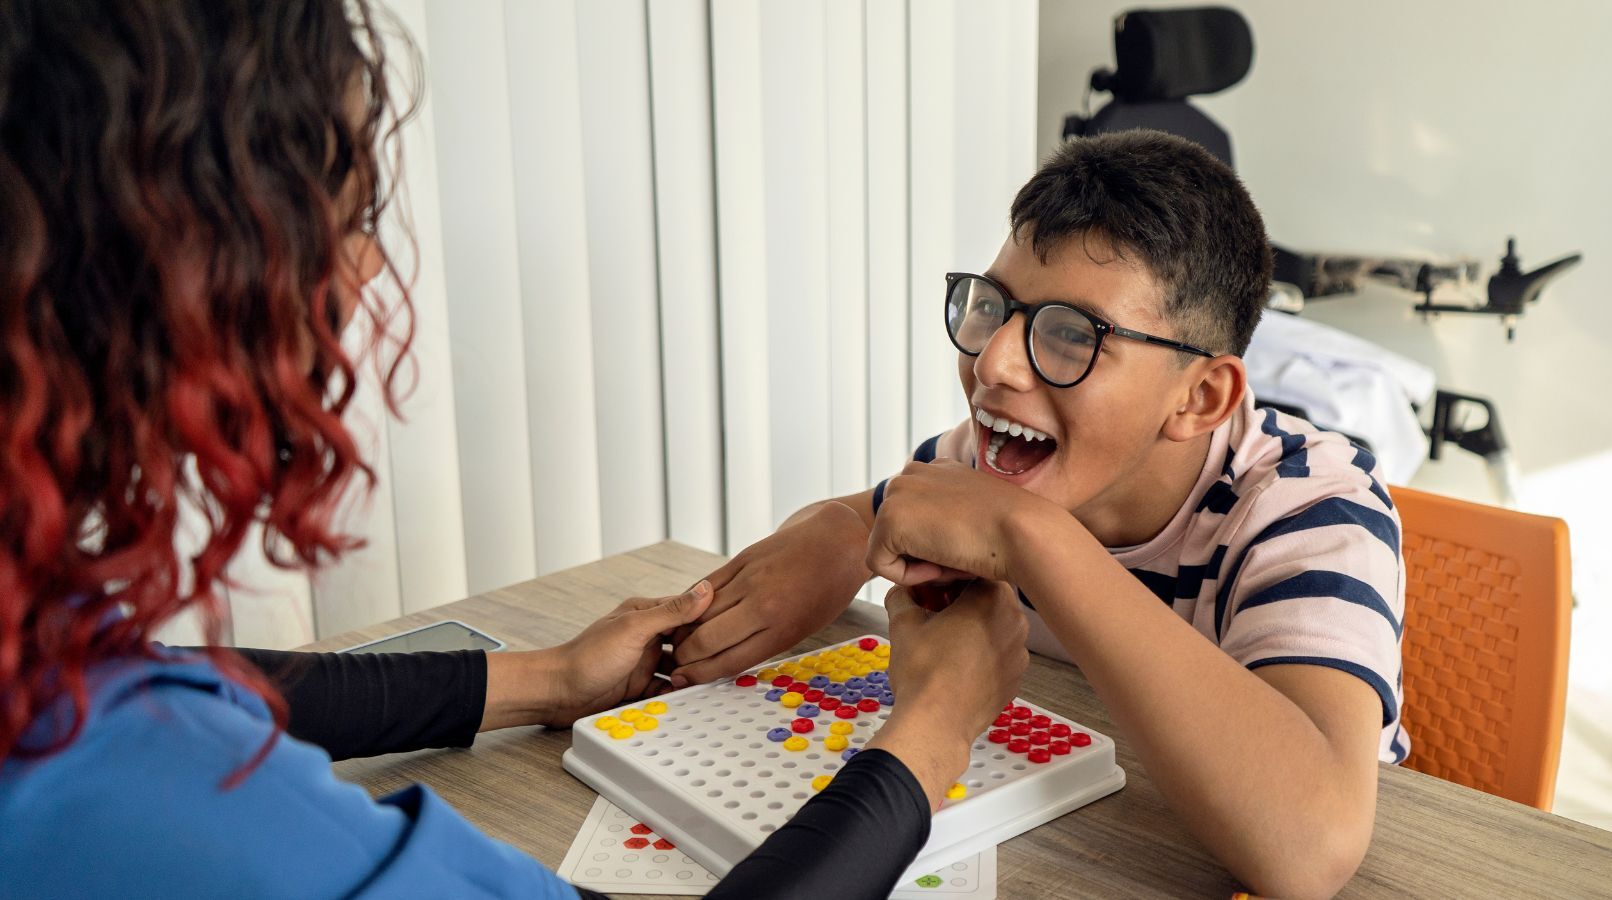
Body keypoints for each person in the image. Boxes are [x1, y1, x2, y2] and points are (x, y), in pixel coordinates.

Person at [0, 2, 1026, 898]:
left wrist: (547, 678)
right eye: (347, 218)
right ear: (175, 260)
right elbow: (137, 730)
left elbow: (130, 677)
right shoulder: (157, 794)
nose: (365, 274)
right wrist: (931, 732)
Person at [666, 130, 1408, 898]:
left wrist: (1031, 537)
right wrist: (836, 531)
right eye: (994, 307)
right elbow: (881, 515)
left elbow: (1312, 848)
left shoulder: (1314, 510)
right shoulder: (1001, 461)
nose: (993, 363)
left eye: (1071, 335)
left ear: (1199, 398)